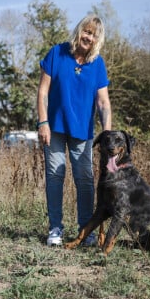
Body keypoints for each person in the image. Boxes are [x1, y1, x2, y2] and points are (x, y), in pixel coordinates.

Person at [36, 14, 112, 247]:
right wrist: (43, 122)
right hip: (55, 128)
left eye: (93, 34)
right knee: (55, 176)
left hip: (83, 132)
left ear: (98, 40)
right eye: (86, 31)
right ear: (79, 31)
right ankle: (55, 229)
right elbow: (43, 92)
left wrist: (107, 136)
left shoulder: (97, 64)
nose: (88, 37)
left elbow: (103, 103)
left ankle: (86, 231)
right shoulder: (57, 53)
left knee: (85, 179)